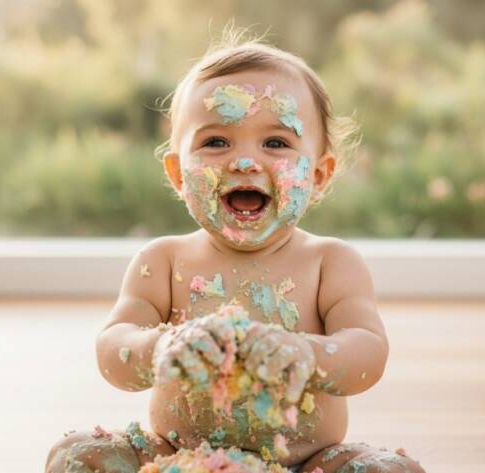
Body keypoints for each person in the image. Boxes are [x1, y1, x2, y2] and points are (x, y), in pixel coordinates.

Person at [46, 34, 426, 473]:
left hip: (305, 462)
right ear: (177, 174)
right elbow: (114, 349)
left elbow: (368, 355)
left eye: (277, 144)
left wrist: (308, 356)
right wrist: (158, 348)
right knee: (77, 455)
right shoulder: (163, 261)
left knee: (390, 470)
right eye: (216, 143)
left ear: (319, 175)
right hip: (174, 456)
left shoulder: (331, 264)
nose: (244, 162)